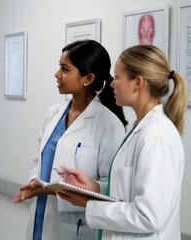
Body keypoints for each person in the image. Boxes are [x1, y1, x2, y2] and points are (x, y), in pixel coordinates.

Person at [59, 45, 187, 240]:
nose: (112, 84)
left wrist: (90, 204)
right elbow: (128, 192)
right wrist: (94, 188)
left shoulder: (157, 136)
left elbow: (149, 216)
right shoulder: (140, 129)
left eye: (117, 77)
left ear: (137, 82)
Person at [13, 40, 127, 240]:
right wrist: (34, 181)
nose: (57, 74)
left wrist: (64, 190)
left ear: (88, 78)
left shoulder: (108, 124)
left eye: (65, 69)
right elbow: (39, 161)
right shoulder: (53, 114)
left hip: (76, 227)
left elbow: (113, 187)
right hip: (40, 217)